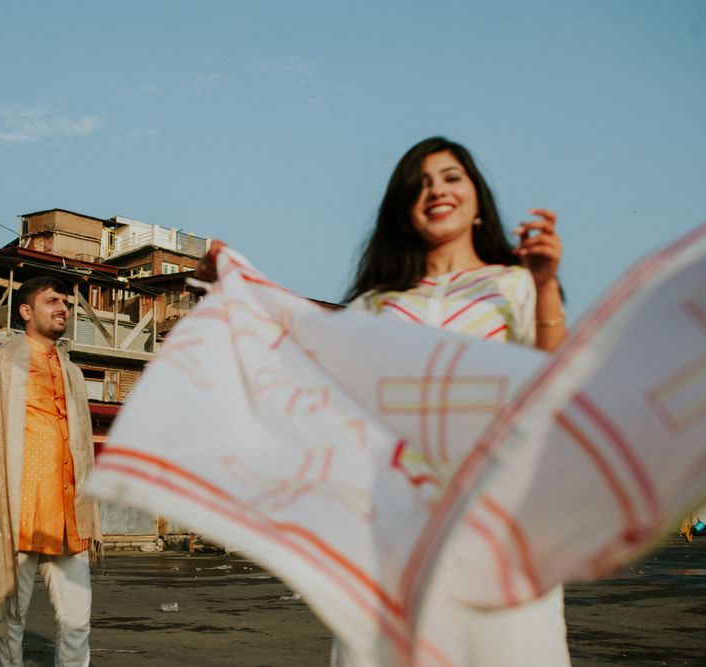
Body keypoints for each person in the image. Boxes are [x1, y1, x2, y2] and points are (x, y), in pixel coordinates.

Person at [196, 136, 569, 665]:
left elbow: (555, 383)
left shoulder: (514, 286)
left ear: (477, 200)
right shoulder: (377, 305)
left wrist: (547, 286)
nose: (436, 189)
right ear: (403, 210)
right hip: (392, 526)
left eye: (450, 177)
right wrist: (241, 288)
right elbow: (313, 364)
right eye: (420, 184)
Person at [0, 275, 102, 667]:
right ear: (26, 311)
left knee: (78, 622)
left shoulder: (74, 374)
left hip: (68, 519)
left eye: (65, 302)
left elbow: (80, 446)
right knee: (8, 623)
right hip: (17, 515)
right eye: (51, 301)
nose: (63, 308)